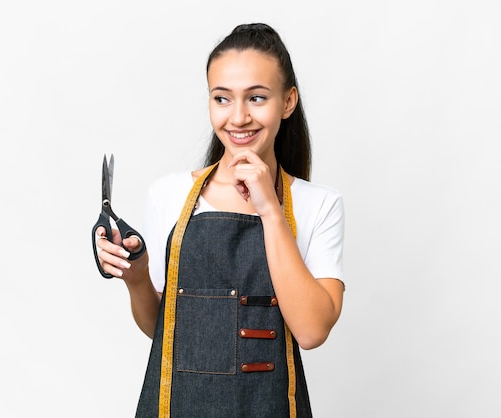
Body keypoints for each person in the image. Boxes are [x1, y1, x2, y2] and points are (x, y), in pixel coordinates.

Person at [95, 22, 345, 418]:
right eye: (222, 98)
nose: (239, 117)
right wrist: (137, 276)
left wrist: (269, 209)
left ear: (288, 101)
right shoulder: (169, 194)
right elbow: (166, 334)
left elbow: (312, 331)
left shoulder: (319, 205)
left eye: (257, 98)